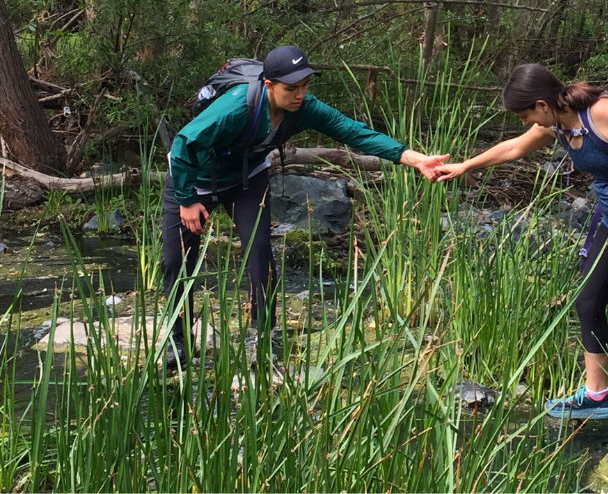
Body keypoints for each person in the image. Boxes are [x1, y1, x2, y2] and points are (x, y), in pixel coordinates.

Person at [432, 64, 608, 445]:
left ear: (542, 104)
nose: (525, 121)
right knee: (587, 301)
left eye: (525, 114)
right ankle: (597, 396)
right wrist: (465, 165)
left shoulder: (602, 113)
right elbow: (514, 147)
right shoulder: (554, 125)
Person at [161, 45, 447, 371]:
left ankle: (261, 336)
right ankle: (177, 340)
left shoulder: (304, 108)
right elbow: (184, 141)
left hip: (246, 179)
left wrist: (411, 157)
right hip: (194, 178)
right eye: (291, 88)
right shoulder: (237, 106)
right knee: (177, 259)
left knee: (260, 253)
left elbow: (351, 130)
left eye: (305, 86)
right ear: (269, 85)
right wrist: (186, 201)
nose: (300, 94)